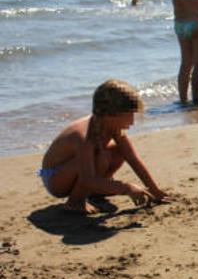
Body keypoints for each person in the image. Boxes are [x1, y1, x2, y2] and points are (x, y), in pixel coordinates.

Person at [38, 80, 166, 214]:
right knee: (100, 157)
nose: (132, 121)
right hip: (54, 177)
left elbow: (132, 159)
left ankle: (96, 189)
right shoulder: (84, 136)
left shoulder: (111, 126)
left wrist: (154, 190)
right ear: (110, 114)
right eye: (129, 115)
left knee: (117, 150)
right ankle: (75, 202)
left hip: (77, 171)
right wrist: (126, 188)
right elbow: (87, 179)